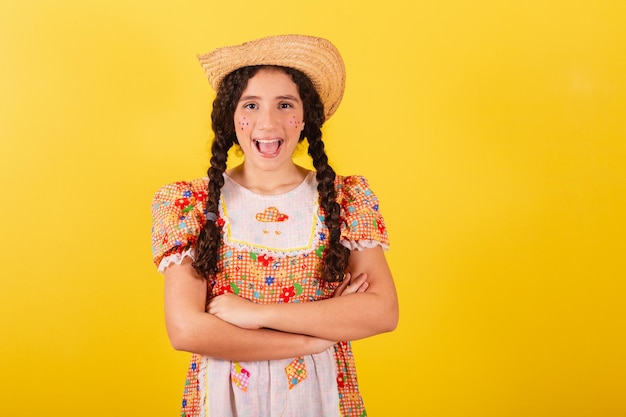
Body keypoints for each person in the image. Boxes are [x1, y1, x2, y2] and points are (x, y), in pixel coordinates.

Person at [151, 34, 398, 417]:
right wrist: (313, 338)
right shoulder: (190, 203)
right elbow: (187, 331)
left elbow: (381, 312)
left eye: (285, 104)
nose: (268, 122)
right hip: (223, 399)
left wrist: (256, 314)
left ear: (305, 118)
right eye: (251, 104)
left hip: (323, 397)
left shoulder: (345, 198)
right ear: (232, 117)